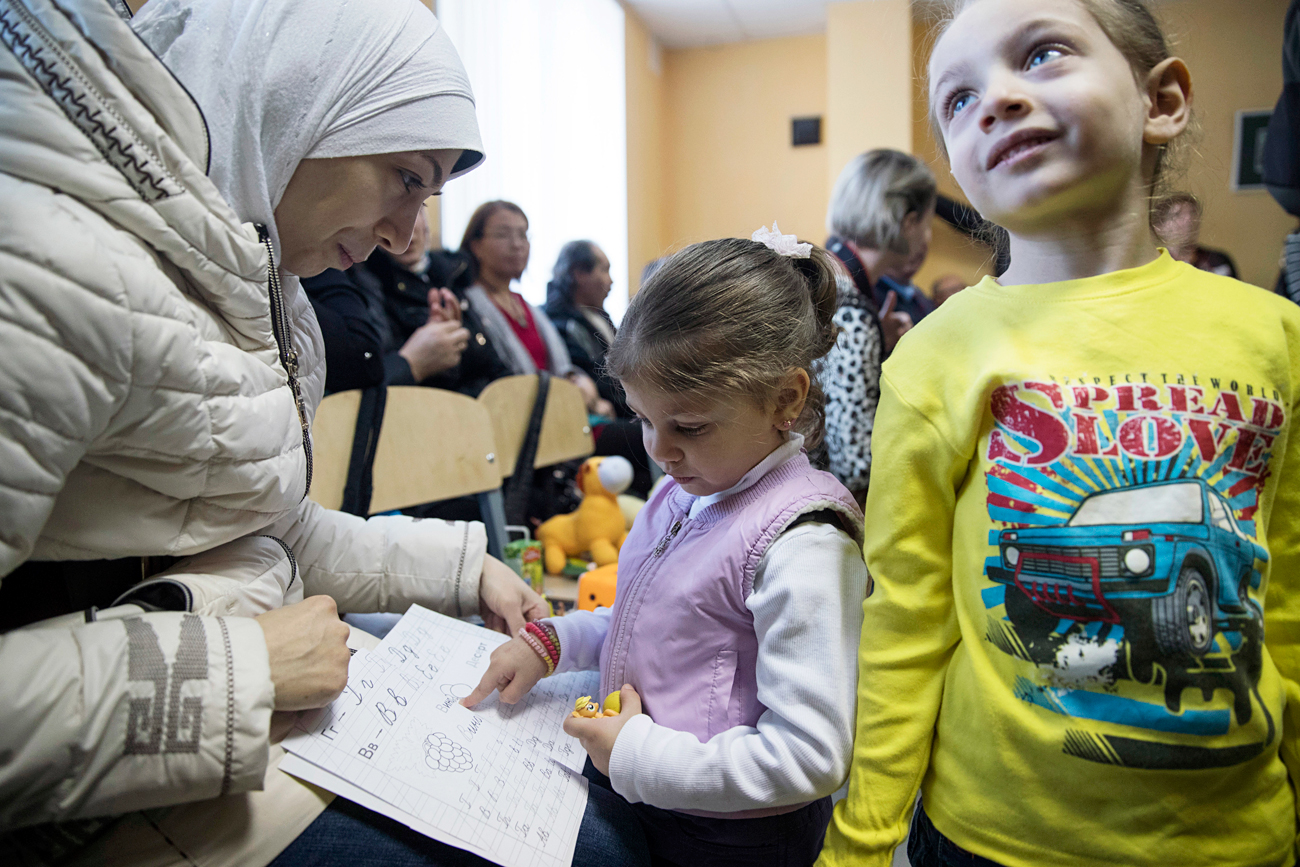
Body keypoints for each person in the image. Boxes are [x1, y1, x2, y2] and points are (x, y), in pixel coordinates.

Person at [0, 1, 637, 865]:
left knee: (585, 752)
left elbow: (257, 519)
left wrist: (460, 565)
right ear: (294, 103)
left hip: (230, 711)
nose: (408, 235)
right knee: (604, 840)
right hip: (144, 770)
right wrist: (242, 672)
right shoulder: (46, 263)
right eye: (406, 178)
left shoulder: (258, 275)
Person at [819, 1, 1300, 865]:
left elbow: (1290, 597)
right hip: (989, 838)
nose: (995, 100)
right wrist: (861, 842)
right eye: (958, 100)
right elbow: (908, 620)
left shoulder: (1276, 339)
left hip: (1237, 832)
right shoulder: (937, 352)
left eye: (1041, 55)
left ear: (1162, 102)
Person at [463, 228, 872, 867]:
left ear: (785, 401)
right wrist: (556, 643)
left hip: (730, 837)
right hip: (647, 792)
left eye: (688, 425)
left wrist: (635, 754)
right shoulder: (689, 488)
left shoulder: (805, 542)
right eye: (644, 418)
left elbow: (809, 755)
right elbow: (652, 624)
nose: (657, 449)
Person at [821, 151, 936, 502]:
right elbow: (856, 467)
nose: (926, 237)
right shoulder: (853, 311)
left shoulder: (828, 280)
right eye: (927, 223)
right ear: (909, 223)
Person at [304, 206, 509, 395]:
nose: (405, 227)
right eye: (387, 212)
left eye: (415, 209)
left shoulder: (451, 275)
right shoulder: (361, 284)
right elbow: (357, 387)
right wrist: (411, 364)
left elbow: (492, 367)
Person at [458, 201, 613, 417]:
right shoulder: (467, 307)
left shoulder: (529, 308)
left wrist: (579, 379)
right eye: (503, 235)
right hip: (515, 418)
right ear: (476, 245)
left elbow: (561, 368)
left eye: (523, 235)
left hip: (558, 414)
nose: (517, 244)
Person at [545, 240, 654, 496]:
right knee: (655, 433)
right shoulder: (560, 323)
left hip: (618, 408)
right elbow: (600, 377)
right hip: (589, 420)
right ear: (579, 274)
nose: (611, 281)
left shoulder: (599, 316)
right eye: (603, 270)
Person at [1151, 192, 1239, 278]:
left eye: (1192, 212)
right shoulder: (1154, 264)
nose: (1189, 219)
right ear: (1158, 227)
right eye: (1177, 214)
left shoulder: (1217, 261)